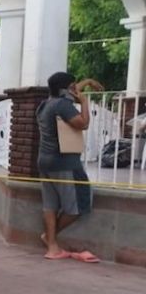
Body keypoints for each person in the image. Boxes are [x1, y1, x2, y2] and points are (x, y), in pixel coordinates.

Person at [37, 72, 102, 262]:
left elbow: (69, 91)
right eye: (73, 87)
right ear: (66, 90)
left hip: (44, 161)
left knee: (49, 205)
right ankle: (49, 239)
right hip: (65, 163)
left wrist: (89, 81)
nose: (76, 90)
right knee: (78, 205)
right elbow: (83, 124)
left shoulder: (45, 105)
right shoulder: (63, 106)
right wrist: (84, 103)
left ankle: (52, 247)